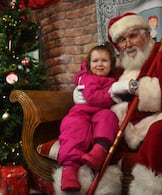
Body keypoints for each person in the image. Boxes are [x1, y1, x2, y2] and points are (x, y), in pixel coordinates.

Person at [75, 12, 162, 194]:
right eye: (121, 40)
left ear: (146, 34)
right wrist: (81, 90)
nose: (127, 44)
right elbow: (91, 73)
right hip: (125, 127)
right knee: (91, 128)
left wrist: (138, 88)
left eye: (133, 36)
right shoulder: (119, 69)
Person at [57, 42, 119, 191]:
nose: (99, 64)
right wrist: (111, 95)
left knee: (109, 117)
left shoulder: (113, 82)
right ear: (89, 64)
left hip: (99, 112)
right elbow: (93, 97)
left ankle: (98, 152)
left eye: (104, 61)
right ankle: (69, 171)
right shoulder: (86, 78)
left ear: (111, 65)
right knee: (74, 128)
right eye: (95, 61)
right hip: (81, 112)